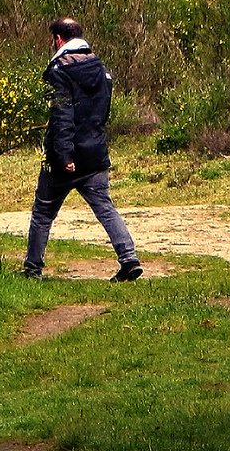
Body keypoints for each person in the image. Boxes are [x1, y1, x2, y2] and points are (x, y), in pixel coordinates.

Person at [21, 17, 143, 281]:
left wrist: (64, 155)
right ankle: (129, 258)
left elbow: (62, 115)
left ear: (58, 39)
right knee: (105, 208)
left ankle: (32, 269)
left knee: (43, 211)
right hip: (96, 152)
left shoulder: (59, 70)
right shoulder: (101, 69)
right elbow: (103, 112)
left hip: (67, 158)